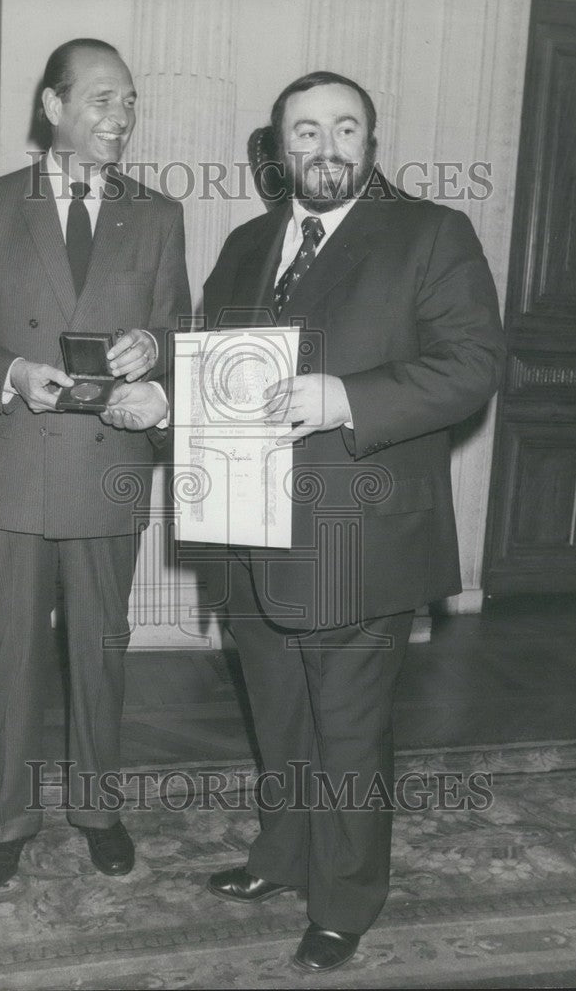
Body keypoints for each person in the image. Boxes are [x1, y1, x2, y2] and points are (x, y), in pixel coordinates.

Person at [196, 71, 506, 973]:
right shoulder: (245, 243)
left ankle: (343, 900)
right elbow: (220, 376)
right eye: (304, 132)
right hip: (247, 528)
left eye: (343, 129)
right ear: (280, 145)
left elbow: (473, 366)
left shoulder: (429, 233)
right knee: (278, 714)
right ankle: (280, 856)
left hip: (358, 532)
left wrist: (346, 396)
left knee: (348, 729)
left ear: (369, 142)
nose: (323, 148)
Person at [0, 39, 189, 888]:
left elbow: (181, 334)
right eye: (103, 100)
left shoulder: (156, 214)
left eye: (130, 102)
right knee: (15, 657)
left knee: (101, 650)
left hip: (109, 468)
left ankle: (98, 809)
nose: (121, 117)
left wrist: (157, 345)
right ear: (52, 107)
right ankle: (11, 819)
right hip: (14, 466)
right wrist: (9, 373)